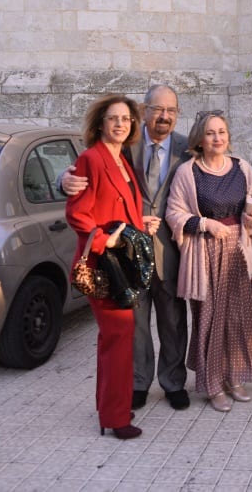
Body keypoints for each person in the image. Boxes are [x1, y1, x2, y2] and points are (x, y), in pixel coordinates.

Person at [62, 84, 192, 412]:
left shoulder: (187, 147)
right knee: (135, 321)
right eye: (157, 109)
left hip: (170, 249)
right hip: (127, 253)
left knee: (173, 320)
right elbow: (87, 171)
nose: (164, 116)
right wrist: (63, 181)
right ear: (144, 112)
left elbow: (218, 166)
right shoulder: (124, 145)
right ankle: (138, 382)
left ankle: (173, 382)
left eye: (171, 110)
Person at [65, 94, 161, 439]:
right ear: (100, 123)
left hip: (122, 262)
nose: (120, 124)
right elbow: (77, 213)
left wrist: (139, 222)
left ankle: (111, 407)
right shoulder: (91, 159)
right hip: (103, 265)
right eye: (113, 118)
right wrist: (106, 241)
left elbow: (116, 208)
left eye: (126, 118)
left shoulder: (121, 159)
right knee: (118, 337)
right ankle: (116, 418)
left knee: (116, 338)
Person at [165, 110, 252, 412]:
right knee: (210, 318)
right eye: (210, 133)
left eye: (221, 132)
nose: (217, 138)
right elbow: (174, 213)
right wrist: (205, 224)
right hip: (205, 253)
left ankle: (235, 377)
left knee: (238, 316)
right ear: (200, 139)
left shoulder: (241, 167)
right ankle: (212, 384)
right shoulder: (188, 172)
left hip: (238, 250)